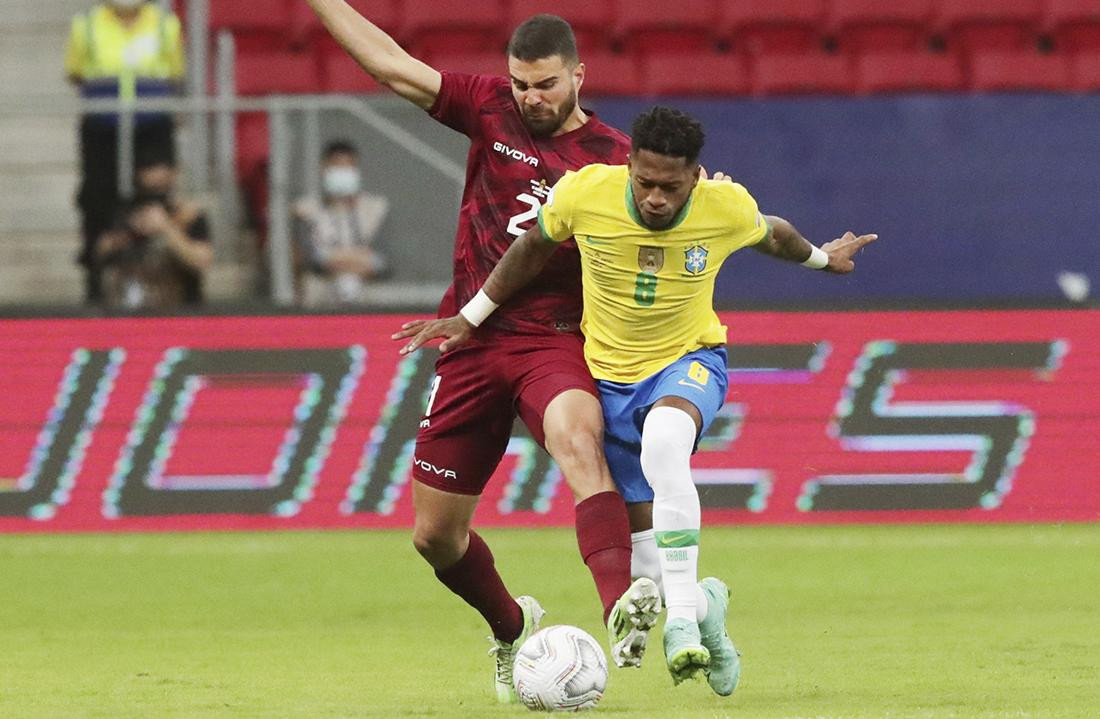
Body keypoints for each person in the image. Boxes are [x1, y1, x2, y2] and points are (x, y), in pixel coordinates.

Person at [397, 106, 879, 695]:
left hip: (690, 361)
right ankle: (707, 610)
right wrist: (471, 317)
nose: (654, 197)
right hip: (612, 380)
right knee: (647, 564)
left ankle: (681, 626)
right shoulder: (586, 193)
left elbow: (772, 232)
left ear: (695, 177)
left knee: (666, 444)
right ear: (627, 165)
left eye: (670, 187)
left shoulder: (721, 205)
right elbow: (530, 247)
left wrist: (825, 259)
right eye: (644, 182)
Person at [305, 2, 661, 702]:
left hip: (551, 338)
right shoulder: (489, 107)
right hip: (468, 336)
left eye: (547, 85)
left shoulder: (617, 161)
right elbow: (390, 65)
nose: (532, 97)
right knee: (434, 537)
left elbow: (681, 213)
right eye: (522, 83)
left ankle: (621, 605)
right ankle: (509, 622)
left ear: (579, 77)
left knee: (576, 438)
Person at [65, 0, 186, 304]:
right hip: (103, 125)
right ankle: (95, 286)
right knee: (97, 198)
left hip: (151, 123)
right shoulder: (87, 25)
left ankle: (163, 285)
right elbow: (76, 73)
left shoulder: (165, 24)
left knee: (155, 193)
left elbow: (173, 73)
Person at [96, 158, 213, 310]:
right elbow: (100, 251)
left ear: (173, 174)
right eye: (149, 167)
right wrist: (131, 234)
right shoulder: (124, 213)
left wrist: (167, 228)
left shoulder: (189, 215)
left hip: (179, 311)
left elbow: (201, 261)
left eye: (161, 185)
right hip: (130, 307)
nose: (155, 176)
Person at [293, 141, 390, 306]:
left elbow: (383, 261)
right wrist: (358, 258)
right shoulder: (305, 209)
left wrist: (335, 258)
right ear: (323, 168)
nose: (343, 172)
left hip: (366, 293)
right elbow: (311, 259)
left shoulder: (376, 208)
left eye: (349, 166)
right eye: (337, 166)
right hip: (320, 295)